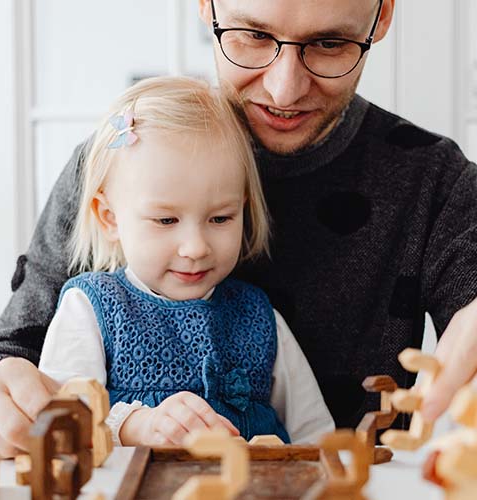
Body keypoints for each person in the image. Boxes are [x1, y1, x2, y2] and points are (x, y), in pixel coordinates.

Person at [0, 0, 477, 457]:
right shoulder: (125, 157)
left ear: (383, 16)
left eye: (330, 44)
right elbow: (4, 359)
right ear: (205, 5)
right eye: (253, 36)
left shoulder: (429, 178)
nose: (285, 88)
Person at [35, 76, 334, 447]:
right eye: (166, 220)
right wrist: (134, 426)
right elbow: (61, 420)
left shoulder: (258, 316)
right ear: (110, 218)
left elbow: (315, 432)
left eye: (220, 219)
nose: (195, 247)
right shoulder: (93, 308)